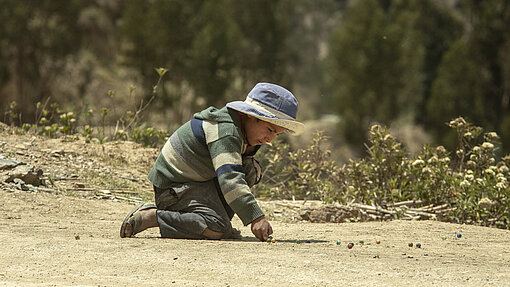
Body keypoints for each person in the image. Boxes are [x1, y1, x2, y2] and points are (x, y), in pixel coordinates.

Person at [120, 82, 304, 241]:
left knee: (251, 169)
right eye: (270, 130)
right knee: (216, 229)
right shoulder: (227, 131)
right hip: (173, 188)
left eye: (276, 134)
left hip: (197, 182)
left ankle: (214, 220)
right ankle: (153, 217)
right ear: (250, 116)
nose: (270, 139)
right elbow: (230, 179)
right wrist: (256, 218)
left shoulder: (245, 132)